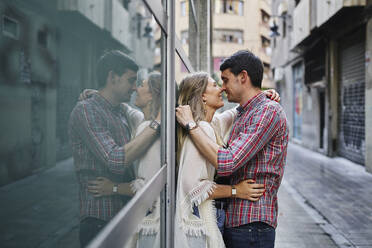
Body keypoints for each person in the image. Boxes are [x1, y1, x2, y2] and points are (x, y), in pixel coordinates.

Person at [176, 50, 289, 248]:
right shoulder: (244, 113)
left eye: (225, 80)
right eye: (218, 83)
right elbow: (225, 117)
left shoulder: (266, 111)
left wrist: (191, 126)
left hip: (252, 223)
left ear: (243, 77)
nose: (222, 88)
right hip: (238, 222)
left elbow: (227, 162)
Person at [68, 50, 161, 247]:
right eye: (130, 81)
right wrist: (157, 124)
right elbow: (116, 160)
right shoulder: (86, 110)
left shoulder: (120, 110)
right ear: (112, 77)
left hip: (125, 216)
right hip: (100, 220)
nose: (134, 88)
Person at [87, 71, 163, 248]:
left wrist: (112, 188)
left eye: (142, 85)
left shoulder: (148, 128)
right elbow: (125, 109)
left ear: (152, 94)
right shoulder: (144, 122)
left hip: (151, 221)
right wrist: (97, 95)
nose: (136, 88)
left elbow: (147, 187)